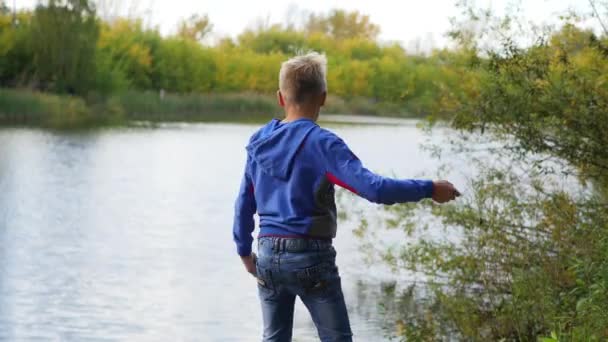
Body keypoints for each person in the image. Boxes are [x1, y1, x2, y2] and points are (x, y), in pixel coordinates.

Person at [232, 52, 459, 342]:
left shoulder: (259, 142)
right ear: (323, 97)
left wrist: (244, 251)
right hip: (310, 258)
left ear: (280, 97)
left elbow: (243, 204)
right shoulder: (323, 144)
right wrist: (429, 188)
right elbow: (375, 189)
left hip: (266, 255)